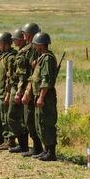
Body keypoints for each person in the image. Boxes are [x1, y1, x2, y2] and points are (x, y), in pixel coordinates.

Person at [28, 32, 58, 161]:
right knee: (40, 123)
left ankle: (51, 152)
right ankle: (46, 150)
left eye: (35, 44)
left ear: (40, 45)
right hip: (39, 95)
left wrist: (41, 97)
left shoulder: (47, 59)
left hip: (45, 96)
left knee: (46, 123)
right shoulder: (42, 58)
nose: (34, 46)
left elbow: (46, 80)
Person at [16, 23, 43, 157]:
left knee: (31, 119)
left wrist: (25, 90)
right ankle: (35, 147)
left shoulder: (33, 49)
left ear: (31, 34)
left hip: (31, 87)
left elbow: (30, 72)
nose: (23, 35)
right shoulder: (28, 48)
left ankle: (38, 147)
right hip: (28, 86)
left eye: (25, 33)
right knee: (28, 119)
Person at [0, 32, 17, 150]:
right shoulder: (4, 56)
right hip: (1, 91)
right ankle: (6, 139)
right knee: (3, 117)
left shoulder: (11, 57)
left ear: (6, 44)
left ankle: (11, 140)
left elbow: (10, 77)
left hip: (6, 92)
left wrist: (7, 93)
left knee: (8, 117)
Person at [7, 28, 30, 153]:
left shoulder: (24, 53)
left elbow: (22, 74)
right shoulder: (21, 52)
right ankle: (23, 145)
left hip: (19, 88)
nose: (14, 42)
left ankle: (23, 145)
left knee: (14, 116)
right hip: (16, 87)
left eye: (15, 39)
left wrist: (19, 91)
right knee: (16, 117)